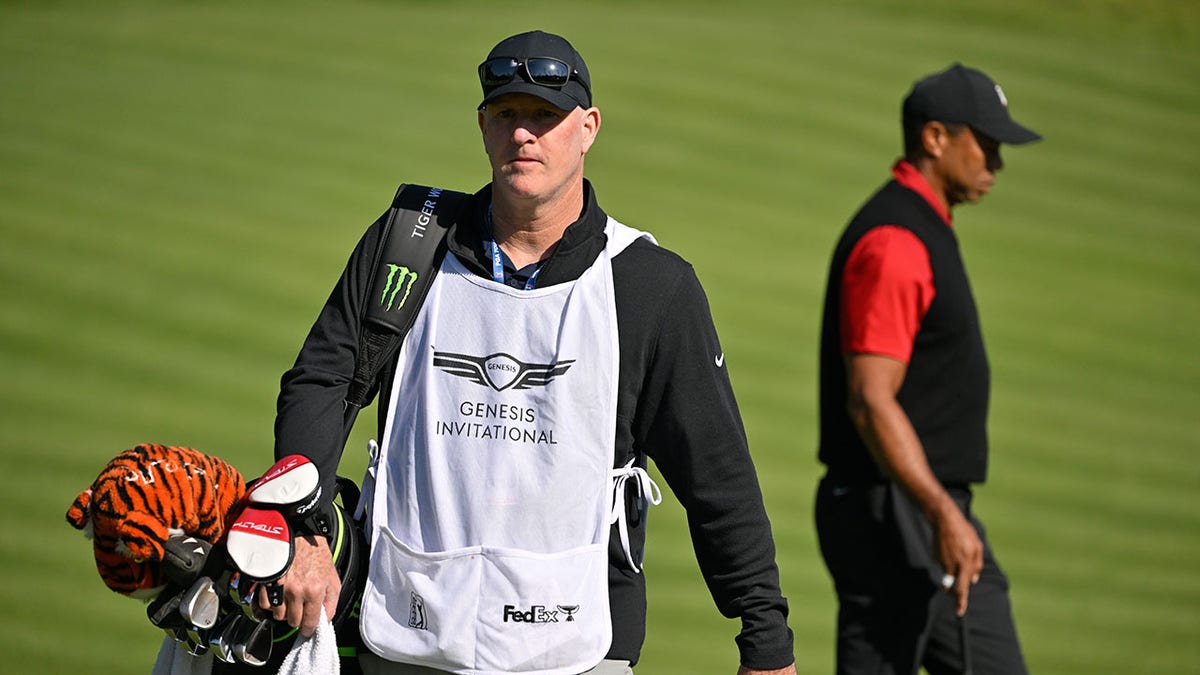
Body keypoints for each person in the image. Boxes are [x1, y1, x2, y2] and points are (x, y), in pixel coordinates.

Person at [266, 30, 797, 675]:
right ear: (483, 126)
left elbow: (716, 471)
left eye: (546, 116)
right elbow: (320, 380)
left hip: (576, 652)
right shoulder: (407, 244)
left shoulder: (650, 284)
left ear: (588, 128)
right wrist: (302, 531)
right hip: (404, 636)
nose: (525, 134)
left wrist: (764, 637)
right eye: (507, 114)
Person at [814, 63, 1040, 675]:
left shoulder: (922, 229)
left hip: (913, 507)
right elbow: (871, 401)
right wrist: (942, 514)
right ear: (935, 138)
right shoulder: (896, 242)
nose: (996, 160)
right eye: (985, 143)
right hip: (900, 513)